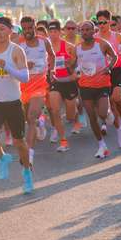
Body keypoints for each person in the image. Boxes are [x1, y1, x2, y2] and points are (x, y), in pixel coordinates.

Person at [0, 16, 34, 193]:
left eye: (2, 29)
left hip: (12, 103)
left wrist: (8, 68)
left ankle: (27, 172)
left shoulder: (16, 50)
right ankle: (3, 158)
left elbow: (25, 78)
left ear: (10, 31)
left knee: (20, 143)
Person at [75, 20, 119, 157]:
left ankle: (108, 113)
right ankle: (101, 145)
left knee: (102, 113)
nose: (85, 32)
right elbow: (73, 64)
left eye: (88, 29)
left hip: (102, 84)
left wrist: (109, 67)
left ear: (94, 31)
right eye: (82, 30)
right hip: (85, 85)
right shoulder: (77, 48)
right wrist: (70, 67)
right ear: (80, 32)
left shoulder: (102, 44)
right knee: (92, 117)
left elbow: (115, 57)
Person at [18, 16, 55, 164]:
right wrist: (24, 65)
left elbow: (52, 55)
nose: (27, 31)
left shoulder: (44, 41)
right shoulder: (18, 44)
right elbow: (12, 62)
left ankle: (29, 153)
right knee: (29, 118)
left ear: (35, 27)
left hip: (40, 85)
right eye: (24, 28)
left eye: (30, 28)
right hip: (23, 86)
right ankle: (40, 124)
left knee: (31, 117)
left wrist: (52, 71)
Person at [95, 10, 121, 140]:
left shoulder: (117, 36)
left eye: (104, 22)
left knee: (117, 97)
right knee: (110, 100)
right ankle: (117, 126)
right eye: (99, 23)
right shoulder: (95, 38)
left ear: (110, 22)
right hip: (103, 72)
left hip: (117, 69)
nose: (102, 25)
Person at [46, 20, 75, 151]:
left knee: (70, 115)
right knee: (55, 110)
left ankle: (76, 114)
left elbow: (76, 65)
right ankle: (63, 141)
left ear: (60, 32)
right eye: (50, 32)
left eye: (55, 31)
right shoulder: (45, 48)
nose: (52, 34)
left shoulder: (69, 47)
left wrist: (71, 63)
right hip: (55, 82)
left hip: (69, 81)